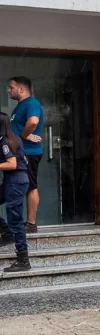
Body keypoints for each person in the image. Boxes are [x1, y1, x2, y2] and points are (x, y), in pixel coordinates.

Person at [8, 76, 43, 234]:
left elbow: (34, 121)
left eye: (11, 87)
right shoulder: (20, 106)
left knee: (30, 186)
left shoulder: (31, 103)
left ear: (21, 89)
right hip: (20, 153)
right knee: (20, 186)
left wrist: (23, 135)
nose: (9, 90)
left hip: (29, 152)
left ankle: (31, 223)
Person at [0, 112, 29, 272]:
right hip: (16, 180)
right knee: (14, 220)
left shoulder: (5, 141)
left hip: (15, 182)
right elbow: (24, 159)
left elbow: (11, 164)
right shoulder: (15, 138)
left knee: (16, 220)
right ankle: (6, 231)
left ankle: (23, 260)